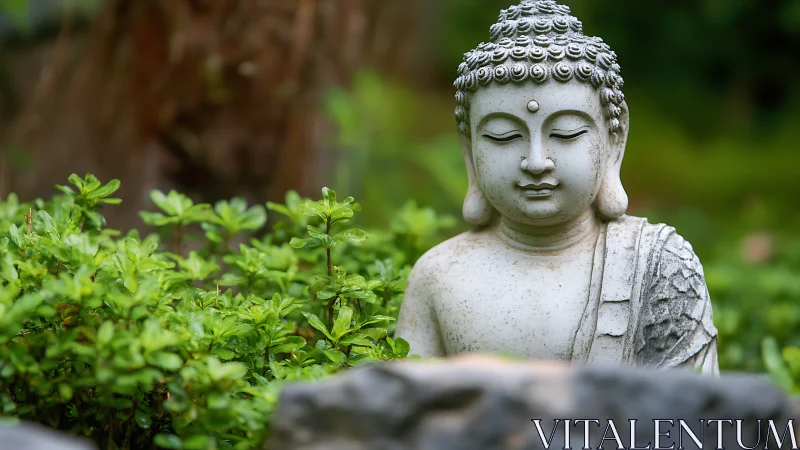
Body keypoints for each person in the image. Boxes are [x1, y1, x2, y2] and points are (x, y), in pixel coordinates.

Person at [394, 0, 718, 374]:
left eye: (566, 133)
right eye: (503, 136)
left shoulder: (661, 265)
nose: (535, 161)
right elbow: (405, 416)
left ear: (613, 140)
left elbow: (695, 422)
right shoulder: (439, 275)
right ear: (470, 148)